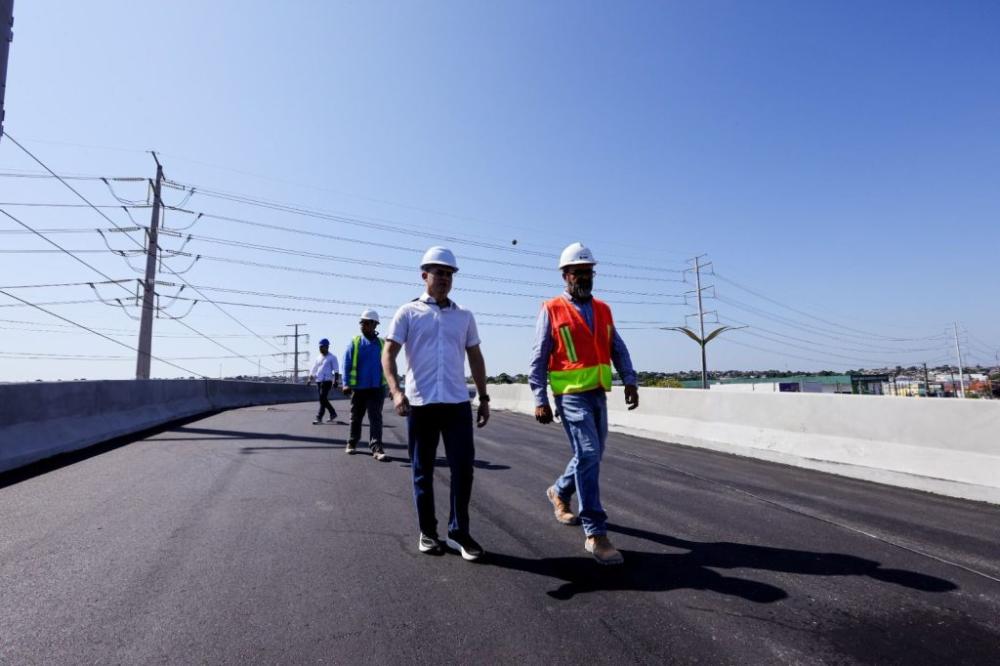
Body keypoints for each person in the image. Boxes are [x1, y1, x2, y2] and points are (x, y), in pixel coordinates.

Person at [528, 242, 639, 565]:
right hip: (570, 396)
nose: (585, 277)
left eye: (589, 272)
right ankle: (595, 533)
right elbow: (538, 358)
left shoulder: (603, 309)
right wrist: (540, 398)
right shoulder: (552, 309)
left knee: (591, 455)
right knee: (589, 454)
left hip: (598, 393)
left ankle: (560, 491)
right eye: (579, 272)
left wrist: (630, 380)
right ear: (565, 275)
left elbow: (617, 347)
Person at [382, 246, 491, 561]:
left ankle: (458, 533)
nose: (444, 278)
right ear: (424, 275)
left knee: (463, 470)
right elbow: (388, 354)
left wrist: (483, 397)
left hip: (457, 404)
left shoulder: (464, 316)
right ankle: (428, 532)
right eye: (438, 272)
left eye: (449, 274)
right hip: (421, 404)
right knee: (422, 471)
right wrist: (396, 391)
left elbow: (475, 357)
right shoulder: (408, 312)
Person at [342, 309, 388, 461]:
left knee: (376, 418)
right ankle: (352, 443)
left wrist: (391, 387)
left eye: (367, 323)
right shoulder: (355, 342)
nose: (363, 325)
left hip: (377, 388)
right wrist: (346, 383)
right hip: (359, 388)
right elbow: (346, 363)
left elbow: (388, 366)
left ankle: (377, 448)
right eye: (361, 322)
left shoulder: (382, 344)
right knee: (356, 417)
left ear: (375, 325)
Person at [308, 338, 340, 425]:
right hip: (318, 381)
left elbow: (336, 370)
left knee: (322, 398)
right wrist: (310, 378)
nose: (320, 348)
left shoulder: (332, 357)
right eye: (320, 347)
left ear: (327, 347)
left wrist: (336, 380)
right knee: (322, 399)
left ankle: (319, 417)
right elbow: (314, 368)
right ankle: (332, 413)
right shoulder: (318, 357)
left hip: (327, 381)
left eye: (322, 347)